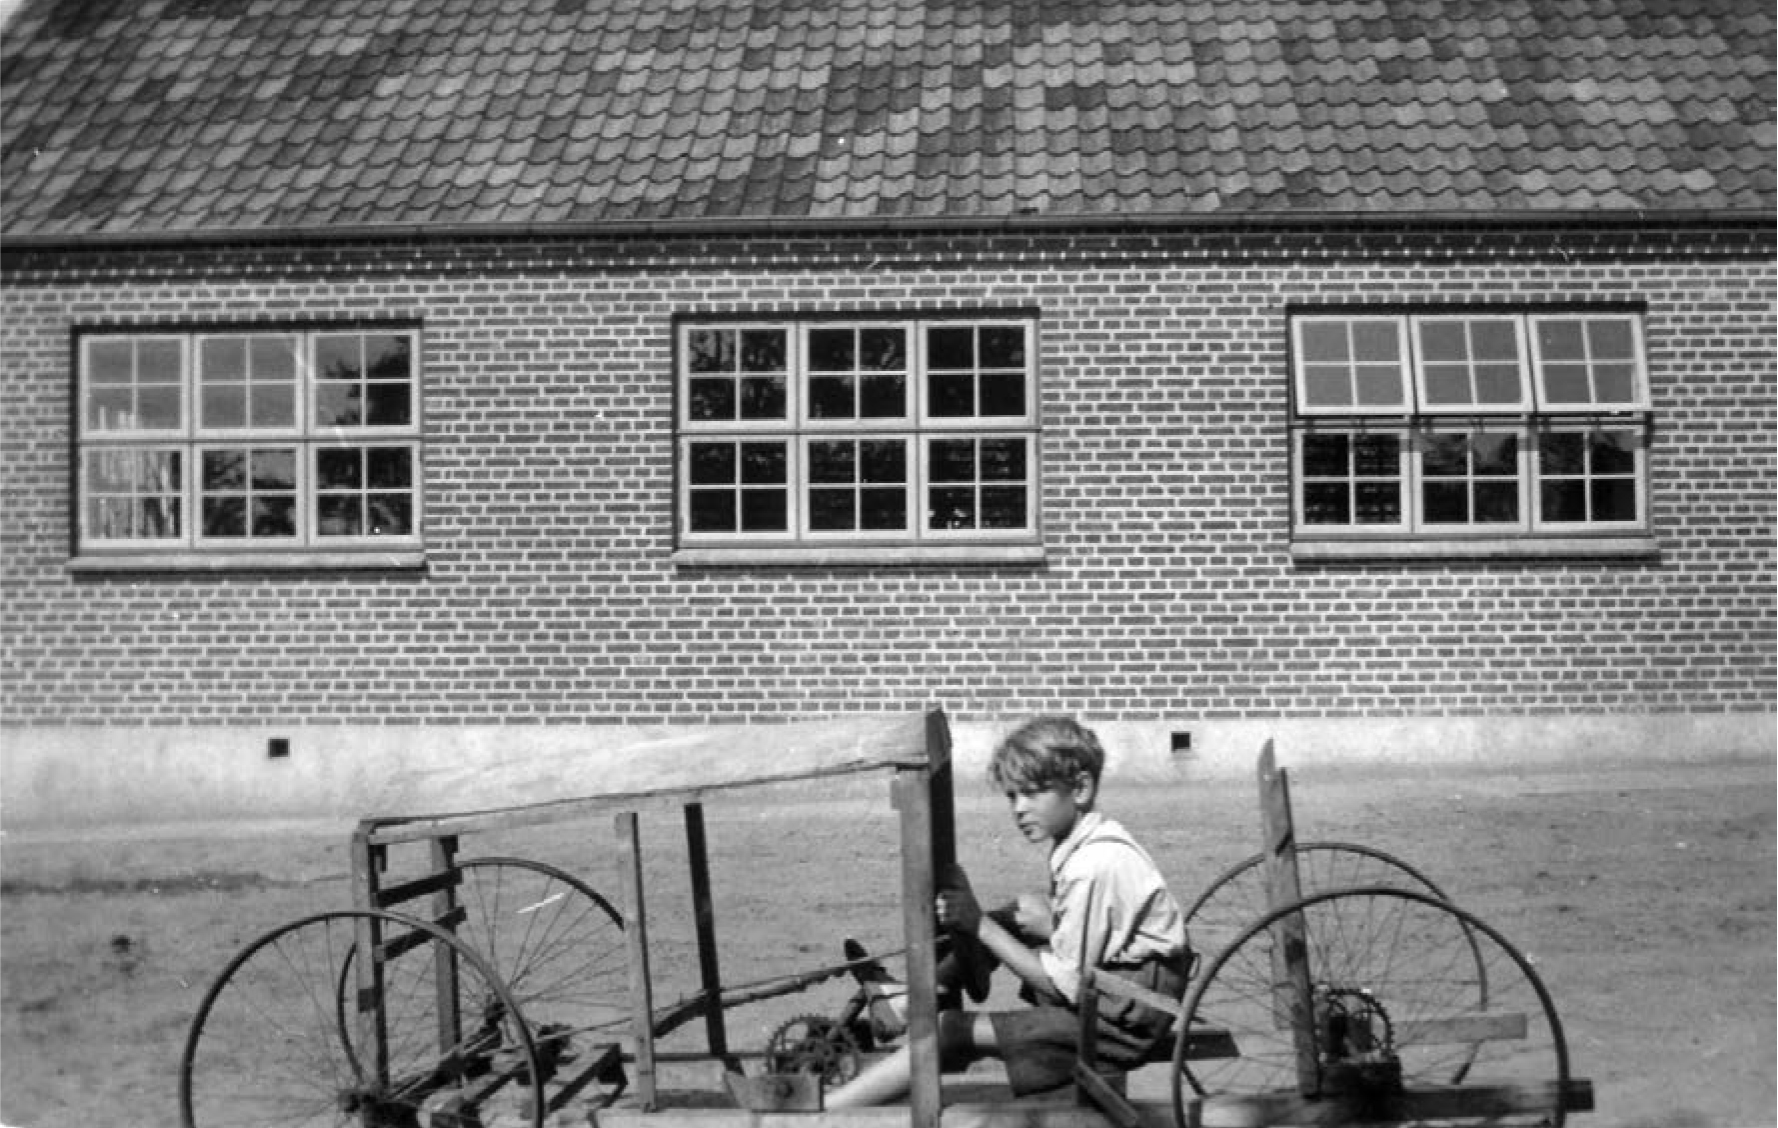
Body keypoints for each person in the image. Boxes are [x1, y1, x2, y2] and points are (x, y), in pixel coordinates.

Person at [824, 715, 1192, 1106]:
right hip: (1122, 993)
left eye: (1032, 793)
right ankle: (908, 1000)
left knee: (949, 1030)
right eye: (1012, 796)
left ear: (1080, 788)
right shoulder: (1090, 842)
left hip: (1121, 1023)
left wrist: (980, 926)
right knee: (1025, 911)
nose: (1019, 809)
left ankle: (830, 1110)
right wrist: (1005, 927)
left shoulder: (1095, 865)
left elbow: (1065, 984)